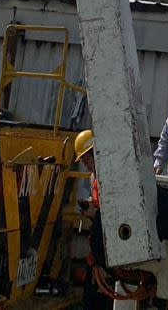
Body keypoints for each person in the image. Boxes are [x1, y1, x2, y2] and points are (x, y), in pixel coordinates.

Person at [74, 129, 111, 310]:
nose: (85, 165)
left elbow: (112, 214)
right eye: (82, 161)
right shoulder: (93, 178)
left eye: (86, 160)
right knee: (90, 297)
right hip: (97, 247)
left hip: (108, 250)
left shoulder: (111, 178)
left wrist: (94, 213)